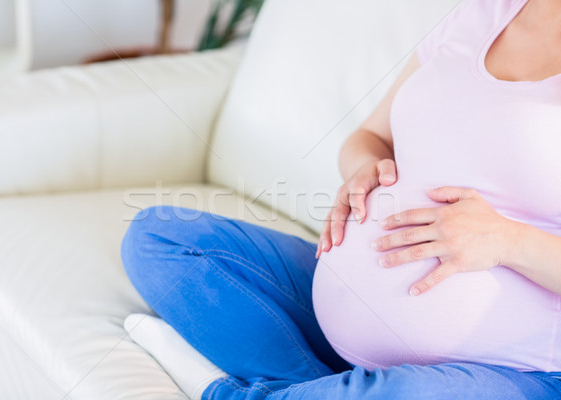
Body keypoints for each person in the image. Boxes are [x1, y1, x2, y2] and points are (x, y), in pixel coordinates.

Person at [121, 0, 561, 398]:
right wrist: (362, 169)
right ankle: (322, 387)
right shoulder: (477, 15)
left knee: (402, 396)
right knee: (157, 238)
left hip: (516, 370)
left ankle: (231, 392)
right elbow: (367, 137)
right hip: (344, 302)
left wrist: (508, 241)